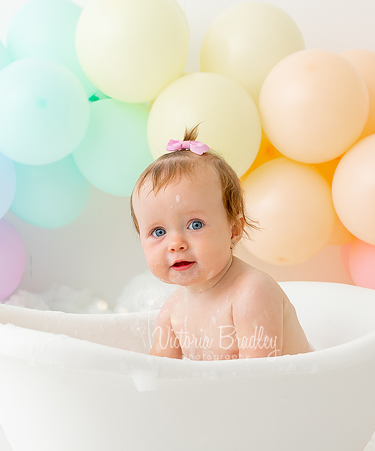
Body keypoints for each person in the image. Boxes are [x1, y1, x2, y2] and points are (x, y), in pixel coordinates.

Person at [130, 125, 312, 360]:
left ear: (233, 230)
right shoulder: (172, 312)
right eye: (158, 231)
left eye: (195, 224)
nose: (175, 244)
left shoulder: (251, 292)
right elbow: (159, 376)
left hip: (294, 392)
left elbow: (262, 380)